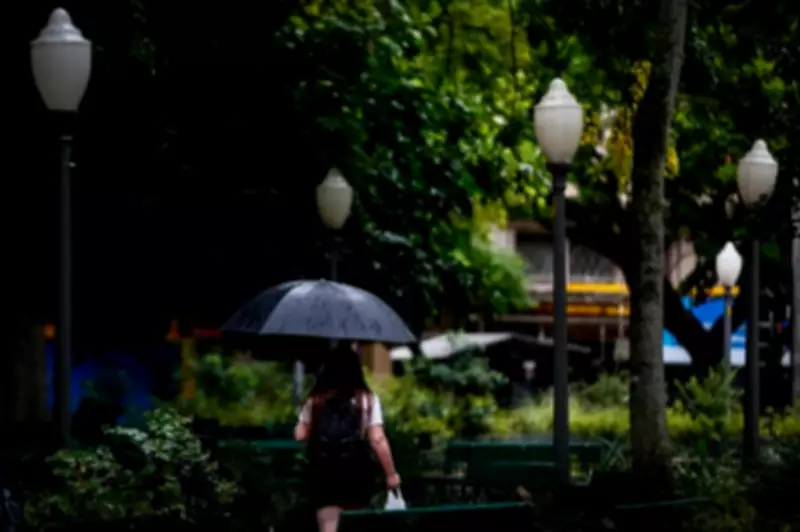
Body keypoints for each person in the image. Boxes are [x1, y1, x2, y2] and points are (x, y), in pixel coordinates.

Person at [294, 344, 401, 532]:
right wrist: (391, 474)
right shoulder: (367, 400)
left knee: (328, 522)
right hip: (356, 473)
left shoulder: (316, 400)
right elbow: (377, 440)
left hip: (323, 472)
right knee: (358, 522)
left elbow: (299, 435)